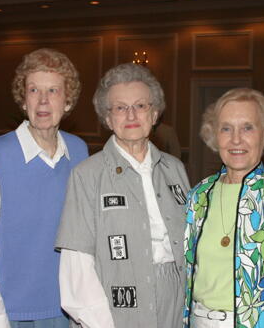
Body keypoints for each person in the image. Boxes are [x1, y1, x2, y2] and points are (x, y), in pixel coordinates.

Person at [55, 63, 190, 328]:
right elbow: (77, 269)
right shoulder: (87, 175)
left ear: (154, 114)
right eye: (120, 107)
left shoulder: (175, 169)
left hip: (176, 302)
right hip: (113, 309)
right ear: (108, 118)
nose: (131, 115)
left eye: (140, 106)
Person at [0, 48, 88, 328]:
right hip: (9, 312)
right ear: (23, 100)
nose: (43, 100)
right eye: (34, 90)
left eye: (53, 90)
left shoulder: (79, 152)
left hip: (64, 309)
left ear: (67, 101)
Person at [183, 88, 264, 328]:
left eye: (247, 127)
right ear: (214, 136)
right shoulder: (198, 195)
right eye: (226, 128)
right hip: (200, 321)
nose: (236, 139)